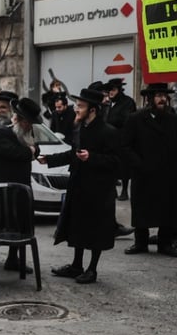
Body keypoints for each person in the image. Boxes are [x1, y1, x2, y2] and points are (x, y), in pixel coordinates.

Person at [41, 87, 122, 284]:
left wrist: (92, 158)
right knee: (78, 227)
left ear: (92, 110)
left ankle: (92, 269)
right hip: (79, 186)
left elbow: (116, 161)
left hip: (99, 190)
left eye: (81, 106)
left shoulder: (108, 131)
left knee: (96, 230)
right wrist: (49, 160)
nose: (77, 108)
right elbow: (73, 154)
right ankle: (76, 265)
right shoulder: (80, 128)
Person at [120, 82, 177, 257]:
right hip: (144, 173)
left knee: (167, 209)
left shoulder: (172, 119)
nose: (163, 99)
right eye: (158, 95)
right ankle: (140, 242)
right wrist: (139, 164)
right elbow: (125, 146)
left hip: (168, 173)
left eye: (164, 96)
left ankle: (166, 244)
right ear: (149, 98)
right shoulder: (136, 118)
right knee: (142, 208)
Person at [0, 96, 41, 274]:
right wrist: (29, 151)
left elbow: (35, 149)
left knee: (21, 225)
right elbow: (16, 153)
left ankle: (13, 259)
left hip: (21, 192)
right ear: (18, 119)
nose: (29, 127)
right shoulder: (2, 133)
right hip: (2, 194)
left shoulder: (26, 134)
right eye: (28, 123)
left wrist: (31, 150)